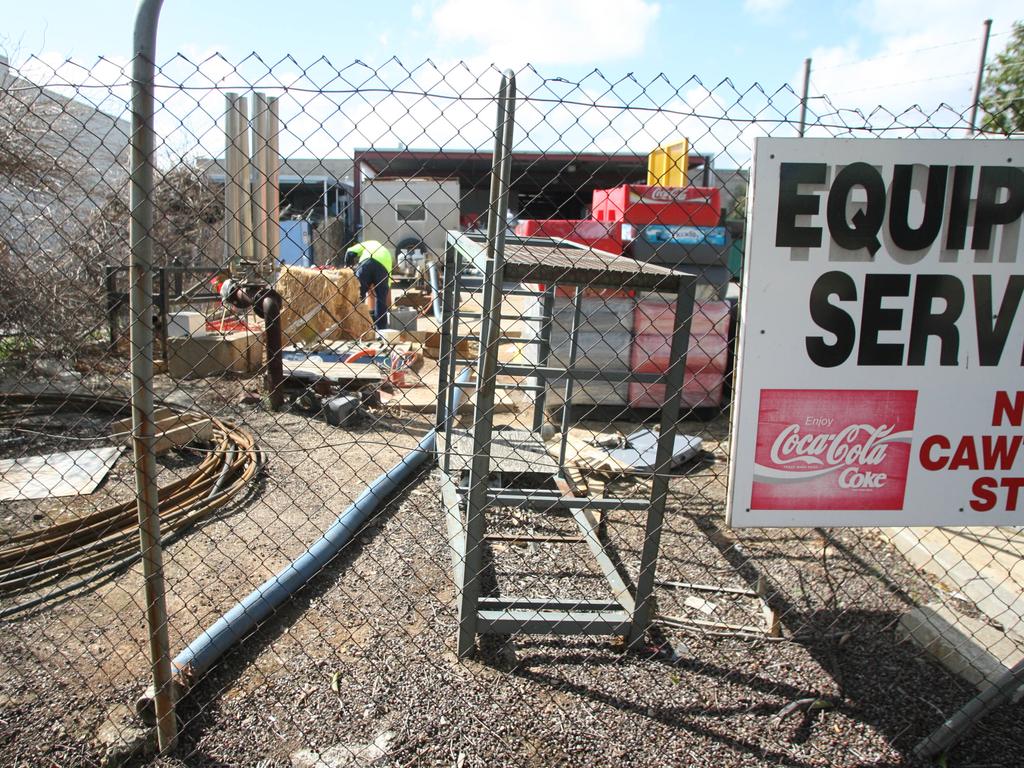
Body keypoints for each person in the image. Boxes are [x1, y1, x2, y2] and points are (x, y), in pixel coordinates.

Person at [345, 240, 394, 330]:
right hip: (383, 267)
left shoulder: (367, 244)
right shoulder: (386, 252)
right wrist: (385, 289)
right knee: (381, 299)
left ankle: (356, 325)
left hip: (366, 264)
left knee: (359, 295)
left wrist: (348, 267)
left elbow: (350, 252)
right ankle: (381, 329)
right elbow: (388, 281)